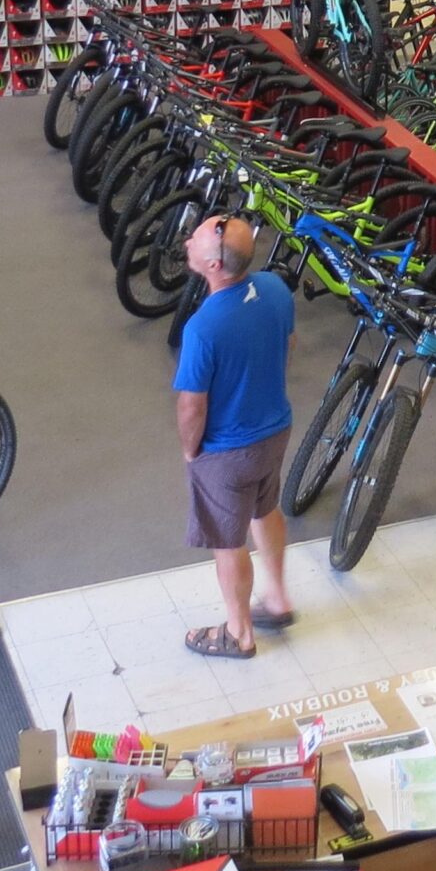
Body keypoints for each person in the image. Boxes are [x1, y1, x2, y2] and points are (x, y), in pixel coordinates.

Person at [175, 214, 298, 660]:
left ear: (212, 266)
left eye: (197, 238)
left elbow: (192, 404)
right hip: (274, 430)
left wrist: (191, 451)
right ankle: (279, 599)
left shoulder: (203, 328)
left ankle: (238, 632)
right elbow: (288, 345)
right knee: (265, 509)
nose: (188, 240)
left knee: (228, 541)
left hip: (228, 450)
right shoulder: (275, 289)